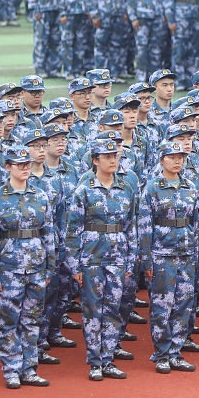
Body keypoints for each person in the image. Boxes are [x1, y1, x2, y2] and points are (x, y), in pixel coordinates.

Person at [0, 145, 56, 389]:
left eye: (27, 164)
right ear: (8, 167)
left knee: (32, 320)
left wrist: (50, 267)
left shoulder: (40, 195)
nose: (25, 168)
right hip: (9, 268)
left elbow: (49, 233)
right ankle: (11, 369)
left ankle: (29, 368)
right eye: (19, 165)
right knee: (8, 321)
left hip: (36, 266)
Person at [68, 138, 138, 381]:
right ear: (95, 160)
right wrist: (74, 265)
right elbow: (73, 230)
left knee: (113, 309)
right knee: (92, 309)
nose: (112, 160)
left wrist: (131, 260)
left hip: (117, 257)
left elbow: (131, 227)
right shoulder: (84, 190)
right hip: (91, 257)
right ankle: (95, 361)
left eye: (115, 156)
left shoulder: (126, 188)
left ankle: (107, 359)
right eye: (107, 157)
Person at [138, 141, 199, 373]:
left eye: (180, 158)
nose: (177, 161)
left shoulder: (190, 187)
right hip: (161, 254)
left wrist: (196, 250)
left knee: (184, 305)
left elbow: (197, 222)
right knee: (161, 306)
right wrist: (146, 258)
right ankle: (162, 353)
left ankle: (176, 351)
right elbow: (144, 225)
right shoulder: (152, 188)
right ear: (161, 160)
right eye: (172, 157)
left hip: (186, 253)